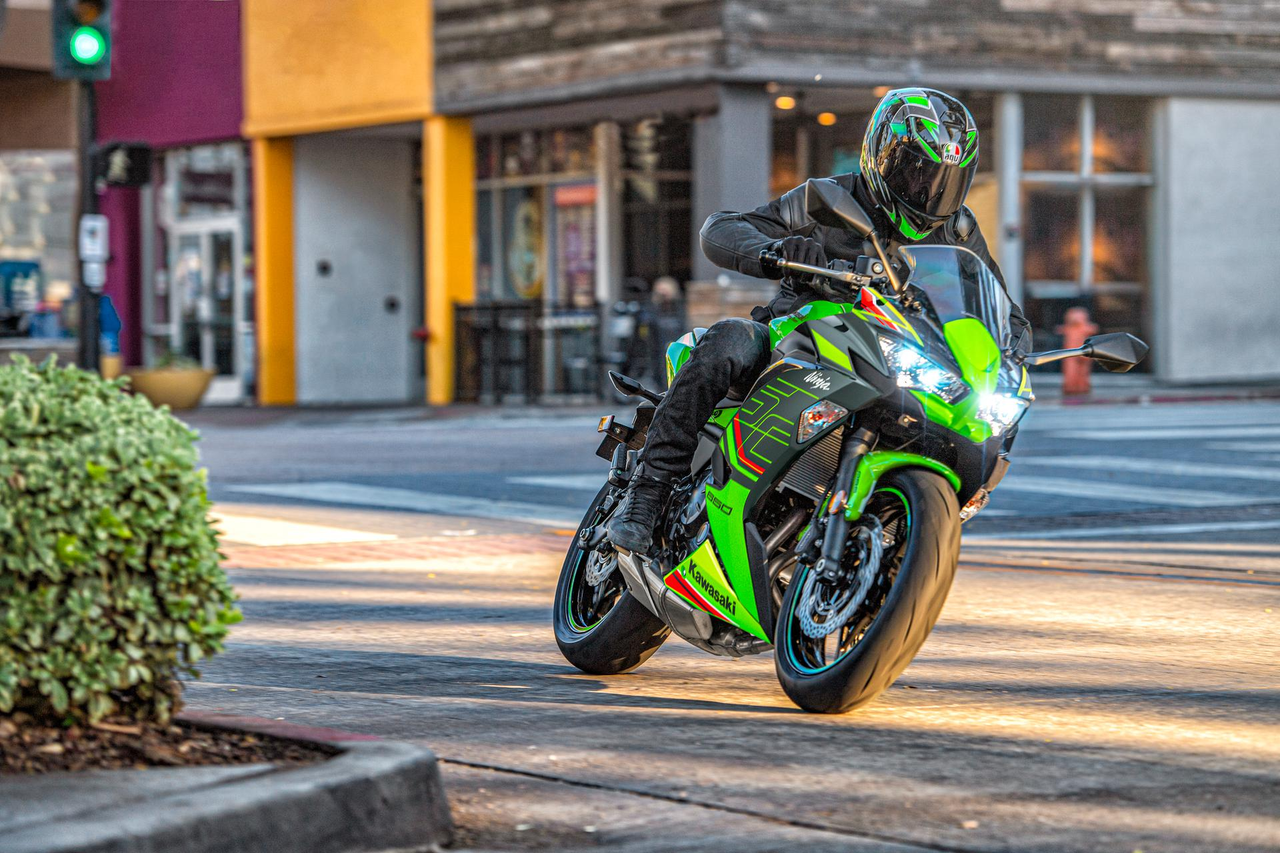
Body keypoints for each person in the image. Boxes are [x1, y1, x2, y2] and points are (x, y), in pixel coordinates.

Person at [607, 87, 1032, 555]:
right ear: (882, 155)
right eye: (916, 170)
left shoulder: (959, 231)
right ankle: (647, 491)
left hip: (890, 358)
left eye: (944, 179)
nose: (927, 189)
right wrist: (775, 250)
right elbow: (724, 227)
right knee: (730, 339)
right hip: (800, 337)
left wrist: (1012, 348)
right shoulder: (827, 198)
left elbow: (999, 308)